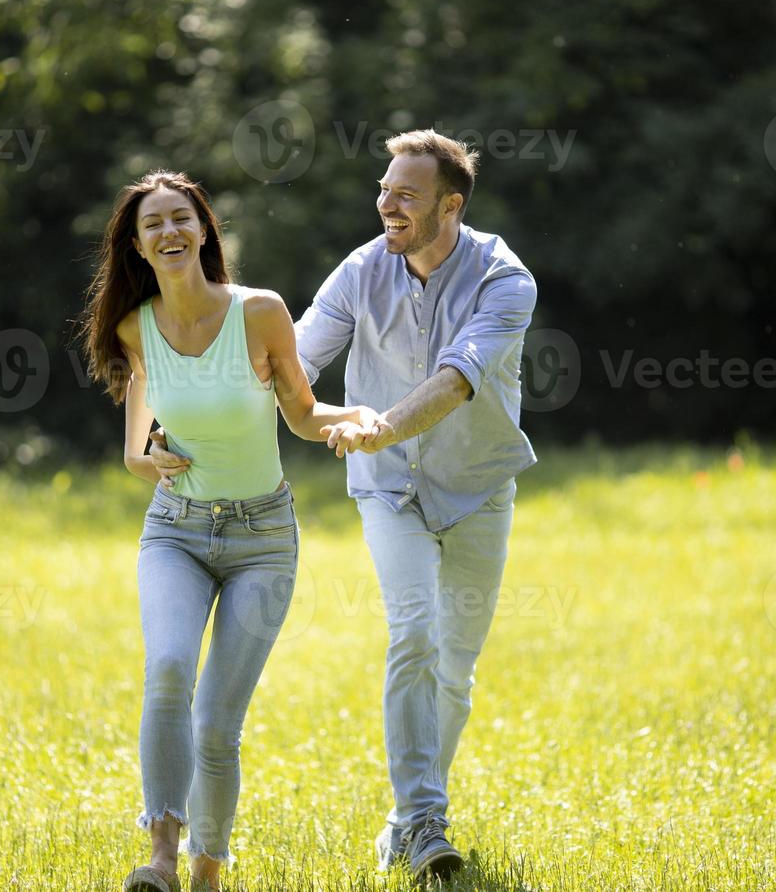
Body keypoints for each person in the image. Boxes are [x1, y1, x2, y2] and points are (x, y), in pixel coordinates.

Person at [151, 130, 537, 882]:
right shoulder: (361, 271)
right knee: (416, 633)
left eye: (406, 196)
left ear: (449, 207)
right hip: (388, 489)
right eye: (385, 188)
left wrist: (381, 423)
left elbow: (460, 380)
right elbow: (279, 362)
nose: (386, 204)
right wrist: (179, 417)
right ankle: (427, 819)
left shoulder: (503, 279)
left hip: (478, 488)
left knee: (456, 669)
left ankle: (405, 818)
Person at [76, 170, 379, 892]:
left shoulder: (260, 314)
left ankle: (208, 869)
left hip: (262, 540)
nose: (170, 232)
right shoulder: (133, 326)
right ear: (137, 246)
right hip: (176, 531)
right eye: (154, 225)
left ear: (205, 229)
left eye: (182, 218)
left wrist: (358, 417)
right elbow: (134, 447)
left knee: (215, 720)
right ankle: (160, 855)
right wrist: (150, 452)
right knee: (169, 671)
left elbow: (302, 414)